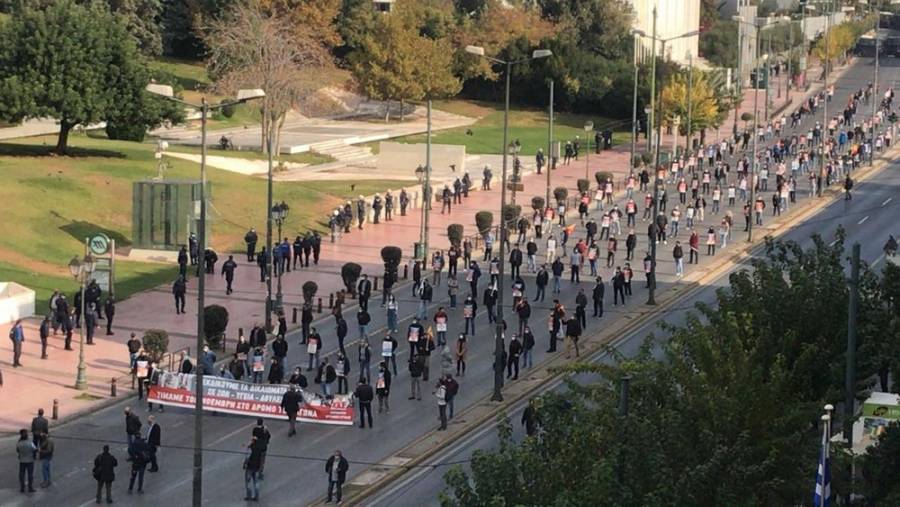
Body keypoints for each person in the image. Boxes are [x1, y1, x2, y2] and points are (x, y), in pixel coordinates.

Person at [244, 436, 265, 502]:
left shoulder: (250, 448)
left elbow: (247, 457)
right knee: (256, 482)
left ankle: (249, 496)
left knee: (248, 482)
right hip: (257, 467)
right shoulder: (259, 449)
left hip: (250, 467)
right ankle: (256, 496)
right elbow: (261, 458)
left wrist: (244, 464)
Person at [17, 429, 36, 494]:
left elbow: (18, 450)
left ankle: (22, 487)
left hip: (22, 461)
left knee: (22, 475)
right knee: (30, 475)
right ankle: (30, 487)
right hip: (30, 460)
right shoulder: (30, 443)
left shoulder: (19, 443)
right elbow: (34, 449)